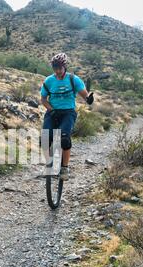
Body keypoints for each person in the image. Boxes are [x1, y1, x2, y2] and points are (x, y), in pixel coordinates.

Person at [41, 53, 94, 181]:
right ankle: (49, 164)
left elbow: (84, 95)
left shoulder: (73, 79)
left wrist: (89, 99)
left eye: (60, 68)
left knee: (65, 138)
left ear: (65, 67)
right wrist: (50, 109)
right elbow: (43, 99)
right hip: (52, 112)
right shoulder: (49, 81)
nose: (58, 71)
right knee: (44, 139)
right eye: (55, 68)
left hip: (68, 112)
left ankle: (64, 168)